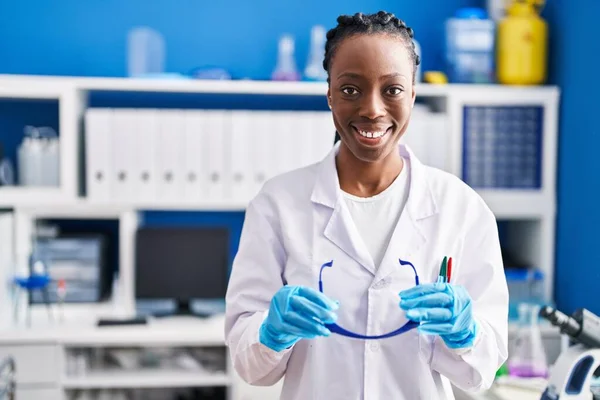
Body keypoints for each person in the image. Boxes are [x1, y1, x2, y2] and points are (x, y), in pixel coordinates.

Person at [225, 10, 508, 400]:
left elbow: (481, 374)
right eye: (350, 89)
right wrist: (271, 333)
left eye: (391, 89)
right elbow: (250, 367)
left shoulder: (461, 209)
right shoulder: (278, 204)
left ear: (413, 93)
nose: (372, 109)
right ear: (329, 94)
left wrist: (466, 332)